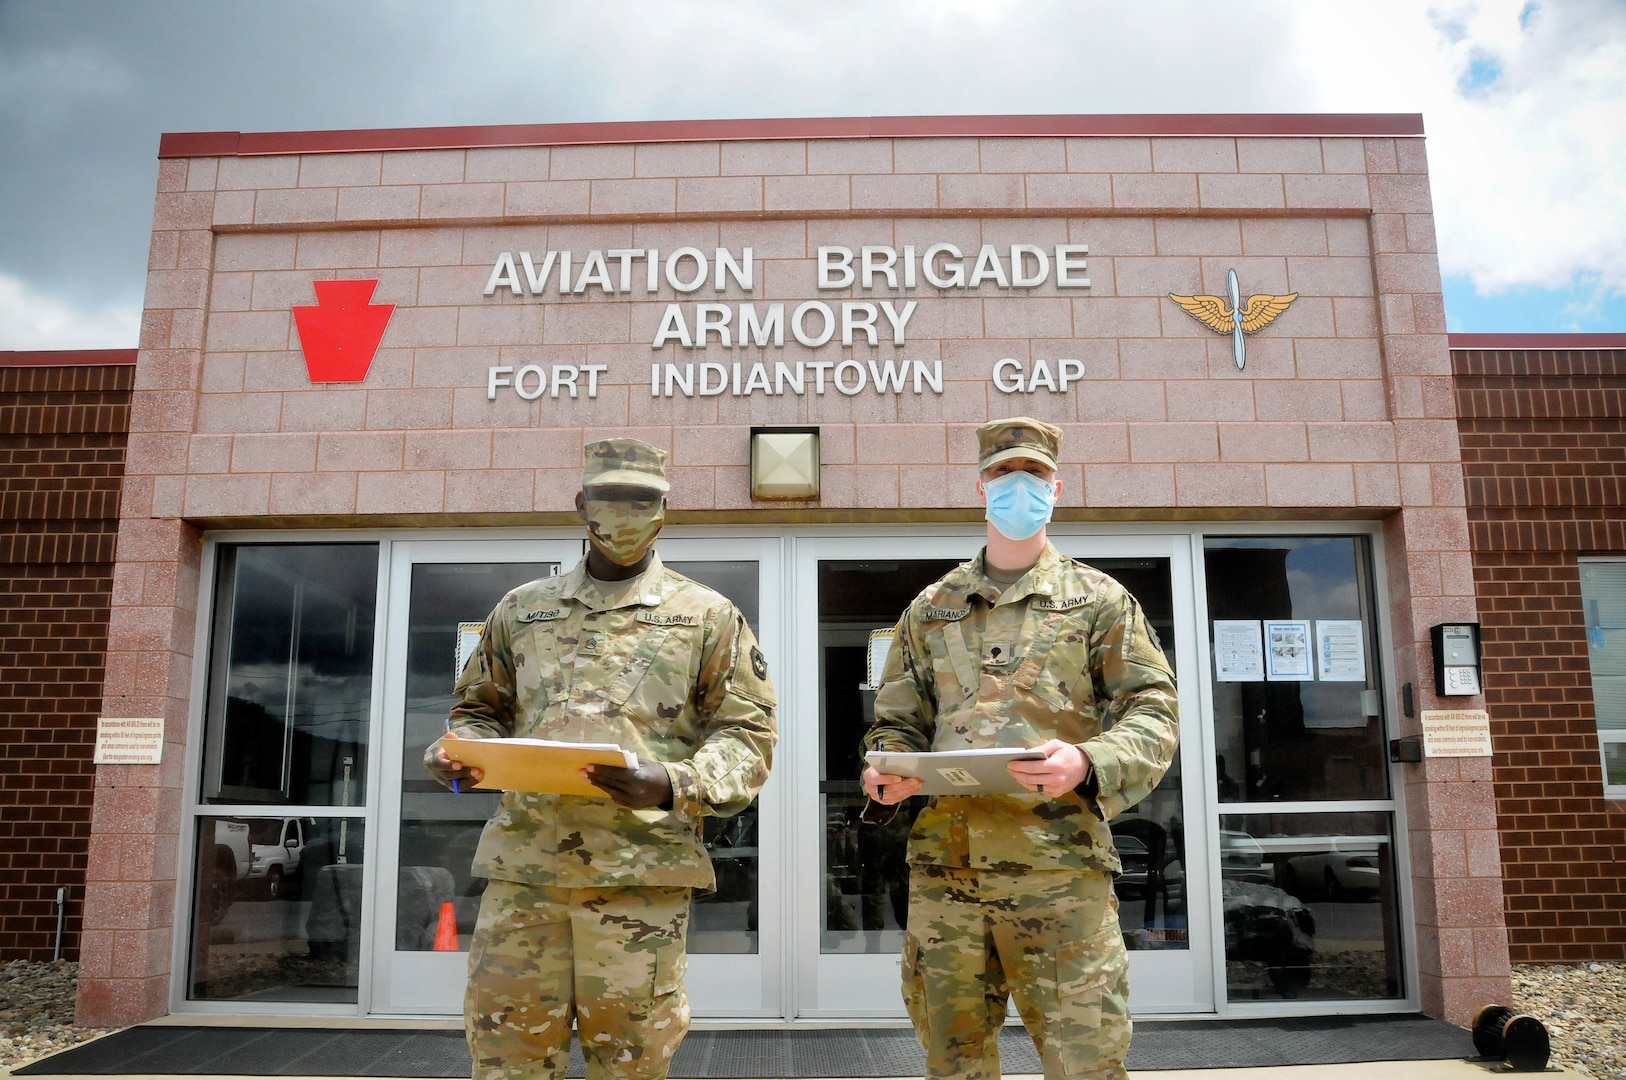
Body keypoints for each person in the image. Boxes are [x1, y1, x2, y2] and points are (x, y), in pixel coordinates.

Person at [425, 437, 777, 1080]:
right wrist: (457, 755)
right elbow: (476, 710)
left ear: (664, 509)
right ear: (582, 503)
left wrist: (673, 783)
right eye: (611, 497)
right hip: (525, 878)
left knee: (632, 1066)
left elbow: (747, 735)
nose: (626, 513)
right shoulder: (521, 610)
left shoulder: (706, 617)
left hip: (637, 882)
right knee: (508, 1060)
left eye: (642, 499)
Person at [861, 417, 1179, 1080]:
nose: (1018, 488)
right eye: (1005, 475)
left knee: (1083, 1062)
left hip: (1059, 874)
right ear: (981, 487)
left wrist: (1088, 763)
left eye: (1033, 475)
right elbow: (897, 721)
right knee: (954, 1064)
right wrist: (888, 768)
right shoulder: (930, 607)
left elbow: (1153, 715)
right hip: (947, 875)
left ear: (1057, 488)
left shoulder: (1098, 601)